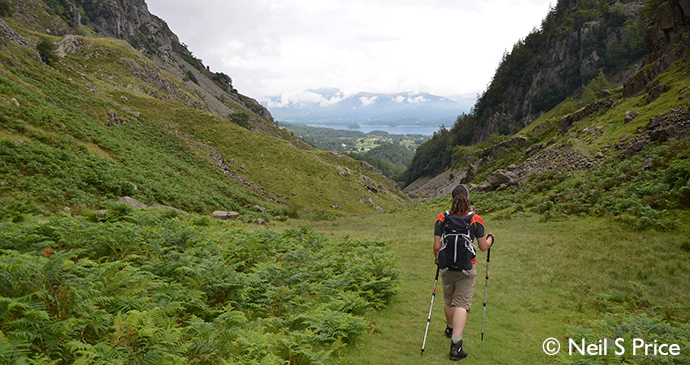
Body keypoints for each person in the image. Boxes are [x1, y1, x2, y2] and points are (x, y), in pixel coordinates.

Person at [433, 184, 494, 361]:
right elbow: (483, 247)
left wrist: (438, 260)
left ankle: (450, 328)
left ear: (451, 198)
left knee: (449, 301)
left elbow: (437, 246)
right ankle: (456, 346)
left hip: (446, 267)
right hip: (467, 267)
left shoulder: (441, 218)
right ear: (468, 198)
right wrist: (490, 239)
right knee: (462, 304)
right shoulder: (475, 219)